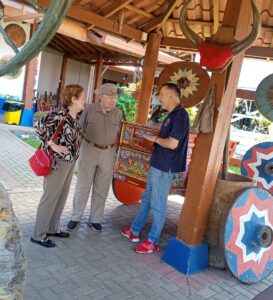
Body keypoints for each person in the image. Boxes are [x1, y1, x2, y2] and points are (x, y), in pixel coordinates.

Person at [121, 82, 190, 254]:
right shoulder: (171, 114)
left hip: (165, 167)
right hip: (158, 164)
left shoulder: (180, 116)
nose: (159, 97)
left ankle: (153, 241)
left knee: (158, 204)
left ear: (172, 96)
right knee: (146, 199)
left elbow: (173, 144)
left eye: (161, 94)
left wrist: (154, 139)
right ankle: (135, 231)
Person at [31, 84, 86, 248]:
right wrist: (51, 144)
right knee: (50, 197)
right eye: (82, 97)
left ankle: (52, 228)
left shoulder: (75, 116)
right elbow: (39, 125)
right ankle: (38, 234)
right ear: (74, 99)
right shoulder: (60, 112)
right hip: (56, 162)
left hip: (69, 162)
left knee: (61, 196)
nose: (85, 100)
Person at [67, 83, 122, 232]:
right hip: (89, 149)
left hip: (109, 153)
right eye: (110, 97)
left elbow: (120, 134)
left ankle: (95, 219)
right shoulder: (89, 109)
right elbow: (79, 129)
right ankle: (76, 217)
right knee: (83, 186)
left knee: (102, 188)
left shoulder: (118, 113)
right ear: (101, 97)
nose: (113, 100)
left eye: (115, 97)